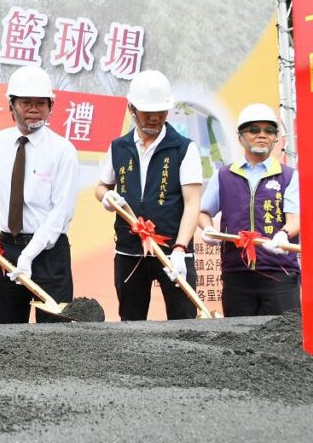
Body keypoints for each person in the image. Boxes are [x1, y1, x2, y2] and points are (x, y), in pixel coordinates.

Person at [0, 66, 79, 324]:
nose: (34, 109)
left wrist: (29, 255)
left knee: (55, 334)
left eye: (41, 103)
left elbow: (61, 212)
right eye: (26, 103)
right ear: (11, 106)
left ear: (51, 107)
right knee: (8, 332)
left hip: (49, 254)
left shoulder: (63, 150)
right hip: (8, 250)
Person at [94, 70, 201, 321]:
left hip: (173, 251)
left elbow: (192, 204)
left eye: (161, 113)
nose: (154, 118)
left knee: (184, 321)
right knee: (131, 321)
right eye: (146, 112)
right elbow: (102, 186)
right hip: (130, 251)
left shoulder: (184, 148)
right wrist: (107, 198)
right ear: (131, 107)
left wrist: (180, 249)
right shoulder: (119, 147)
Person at [197, 103, 300, 316]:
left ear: (276, 137)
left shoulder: (289, 176)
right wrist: (207, 229)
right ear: (240, 137)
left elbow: (296, 218)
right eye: (254, 130)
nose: (262, 135)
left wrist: (284, 234)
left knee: (282, 340)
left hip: (279, 273)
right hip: (237, 274)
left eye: (269, 130)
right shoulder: (223, 175)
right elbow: (202, 211)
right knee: (239, 340)